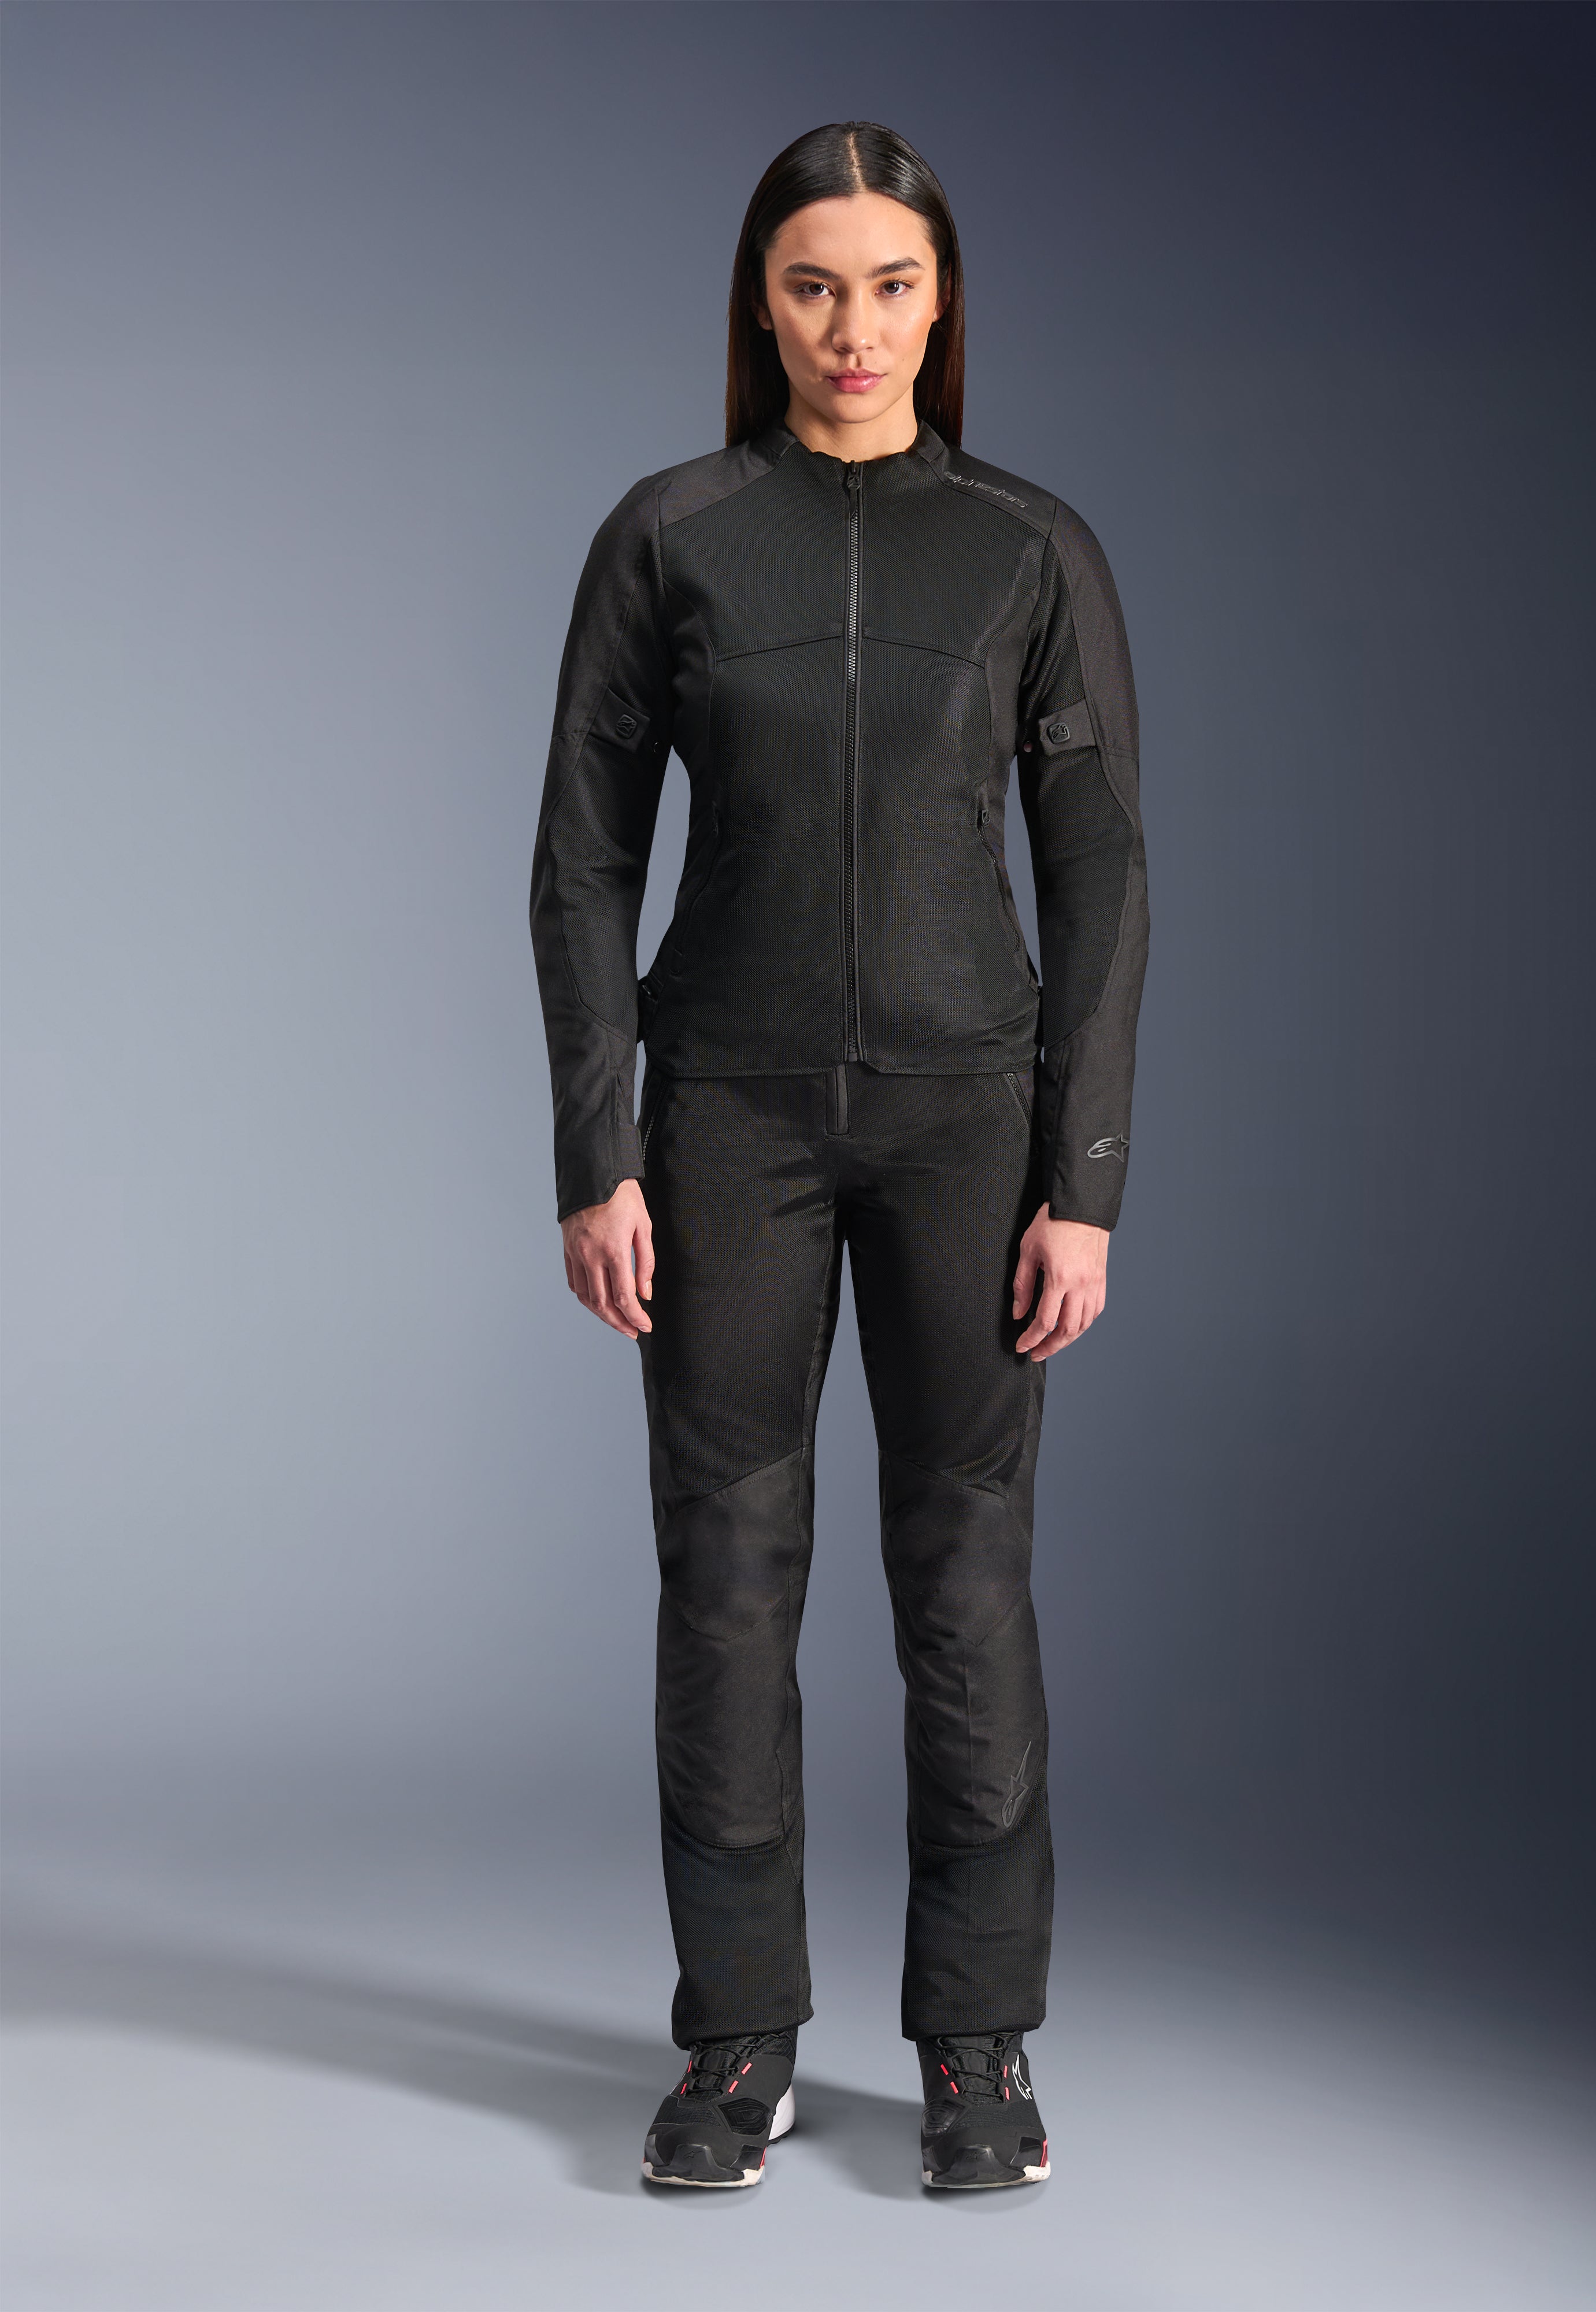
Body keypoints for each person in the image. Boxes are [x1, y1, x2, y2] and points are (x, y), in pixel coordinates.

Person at [528, 120, 1146, 2191]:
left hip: (975, 1121)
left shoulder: (1030, 549)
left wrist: (1087, 1179)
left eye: (890, 286)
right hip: (728, 1120)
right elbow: (581, 859)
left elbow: (1105, 876)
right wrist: (596, 1149)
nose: (852, 329)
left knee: (965, 1580)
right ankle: (737, 2040)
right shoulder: (672, 536)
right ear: (761, 304)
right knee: (725, 1579)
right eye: (812, 286)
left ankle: (978, 2045)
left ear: (942, 301)